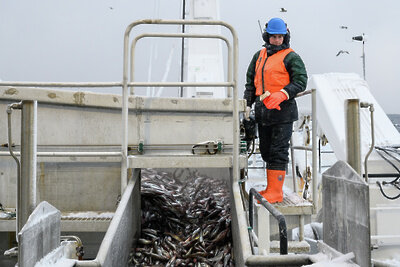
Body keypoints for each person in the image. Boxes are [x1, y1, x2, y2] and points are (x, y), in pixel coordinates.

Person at [243, 17, 308, 203]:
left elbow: (301, 81)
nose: (277, 40)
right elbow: (250, 83)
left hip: (283, 112)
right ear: (267, 36)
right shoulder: (258, 56)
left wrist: (284, 93)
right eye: (273, 37)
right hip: (263, 112)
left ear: (285, 36)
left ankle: (276, 192)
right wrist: (247, 105)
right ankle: (270, 187)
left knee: (278, 151)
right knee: (265, 150)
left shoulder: (291, 57)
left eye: (280, 37)